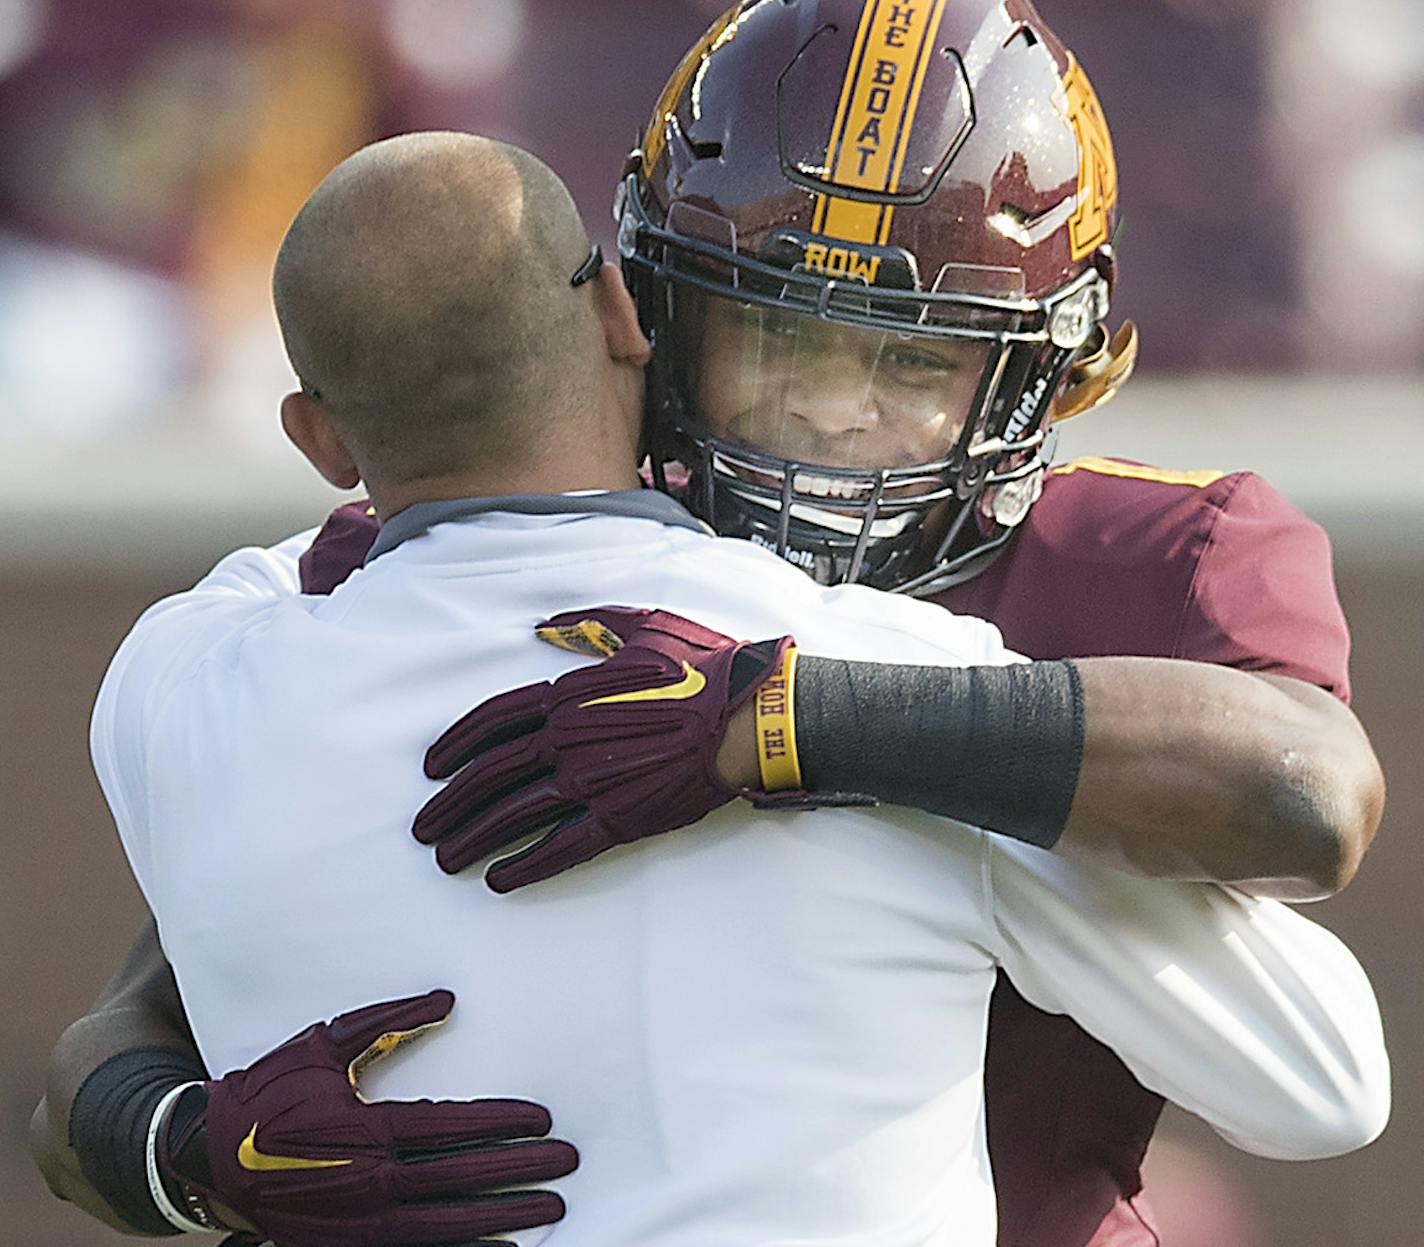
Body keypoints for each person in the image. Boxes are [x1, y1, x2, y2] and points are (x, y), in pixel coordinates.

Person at [36, 129, 1386, 1247]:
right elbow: (1327, 1082)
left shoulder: (199, 656)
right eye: (776, 338)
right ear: (642, 312)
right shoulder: (901, 661)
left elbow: (1306, 788)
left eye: (913, 356)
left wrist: (800, 719)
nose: (833, 417)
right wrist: (842, 721)